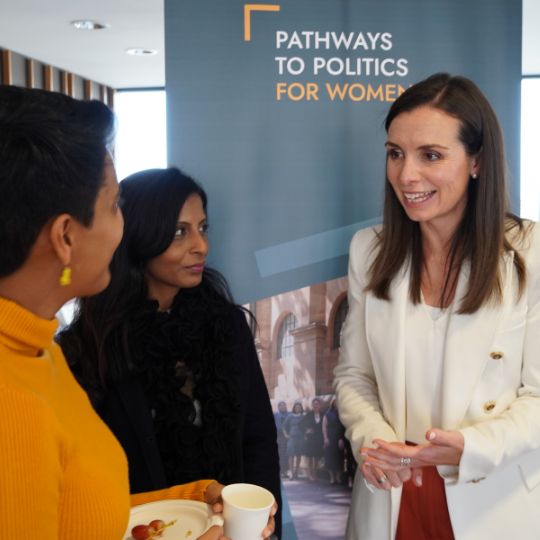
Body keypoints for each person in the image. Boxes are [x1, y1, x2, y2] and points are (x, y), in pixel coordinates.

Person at [0, 85, 234, 540]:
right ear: (65, 237)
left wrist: (190, 497)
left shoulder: (36, 350)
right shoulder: (13, 407)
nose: (121, 227)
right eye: (114, 206)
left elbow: (75, 511)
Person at [334, 72, 540, 540]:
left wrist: (471, 447)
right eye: (395, 154)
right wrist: (374, 441)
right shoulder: (368, 250)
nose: (406, 175)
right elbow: (354, 376)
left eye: (431, 155)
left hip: (494, 496)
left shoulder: (531, 251)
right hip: (391, 493)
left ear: (477, 162)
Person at [58, 167, 282, 537]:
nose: (201, 246)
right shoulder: (89, 346)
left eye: (203, 227)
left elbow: (257, 436)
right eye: (180, 232)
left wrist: (262, 520)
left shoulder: (226, 325)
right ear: (139, 235)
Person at [322, 397, 345, 485]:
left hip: (340, 437)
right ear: (332, 403)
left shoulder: (342, 413)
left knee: (339, 458)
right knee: (330, 458)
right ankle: (332, 477)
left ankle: (338, 477)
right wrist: (326, 438)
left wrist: (342, 439)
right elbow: (324, 427)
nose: (336, 404)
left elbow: (344, 427)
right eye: (335, 402)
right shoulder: (327, 414)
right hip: (330, 437)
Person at [301, 397, 324, 481]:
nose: (316, 406)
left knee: (317, 457)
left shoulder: (323, 414)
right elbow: (300, 424)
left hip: (319, 439)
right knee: (310, 457)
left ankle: (315, 474)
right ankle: (310, 475)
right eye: (314, 404)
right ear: (312, 405)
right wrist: (306, 430)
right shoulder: (309, 414)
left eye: (317, 404)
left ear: (320, 405)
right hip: (310, 439)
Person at [283, 402, 305, 479]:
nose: (298, 408)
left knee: (298, 455)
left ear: (301, 408)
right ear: (294, 408)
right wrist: (286, 435)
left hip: (301, 438)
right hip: (292, 437)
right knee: (291, 455)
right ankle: (291, 473)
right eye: (296, 407)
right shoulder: (290, 416)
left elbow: (306, 426)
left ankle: (296, 472)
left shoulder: (303, 416)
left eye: (299, 407)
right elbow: (284, 427)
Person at [274, 401, 291, 477]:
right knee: (281, 453)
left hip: (289, 436)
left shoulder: (289, 414)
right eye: (281, 406)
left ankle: (288, 471)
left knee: (288, 454)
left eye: (284, 405)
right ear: (278, 407)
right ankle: (282, 471)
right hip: (279, 436)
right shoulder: (276, 415)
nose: (282, 407)